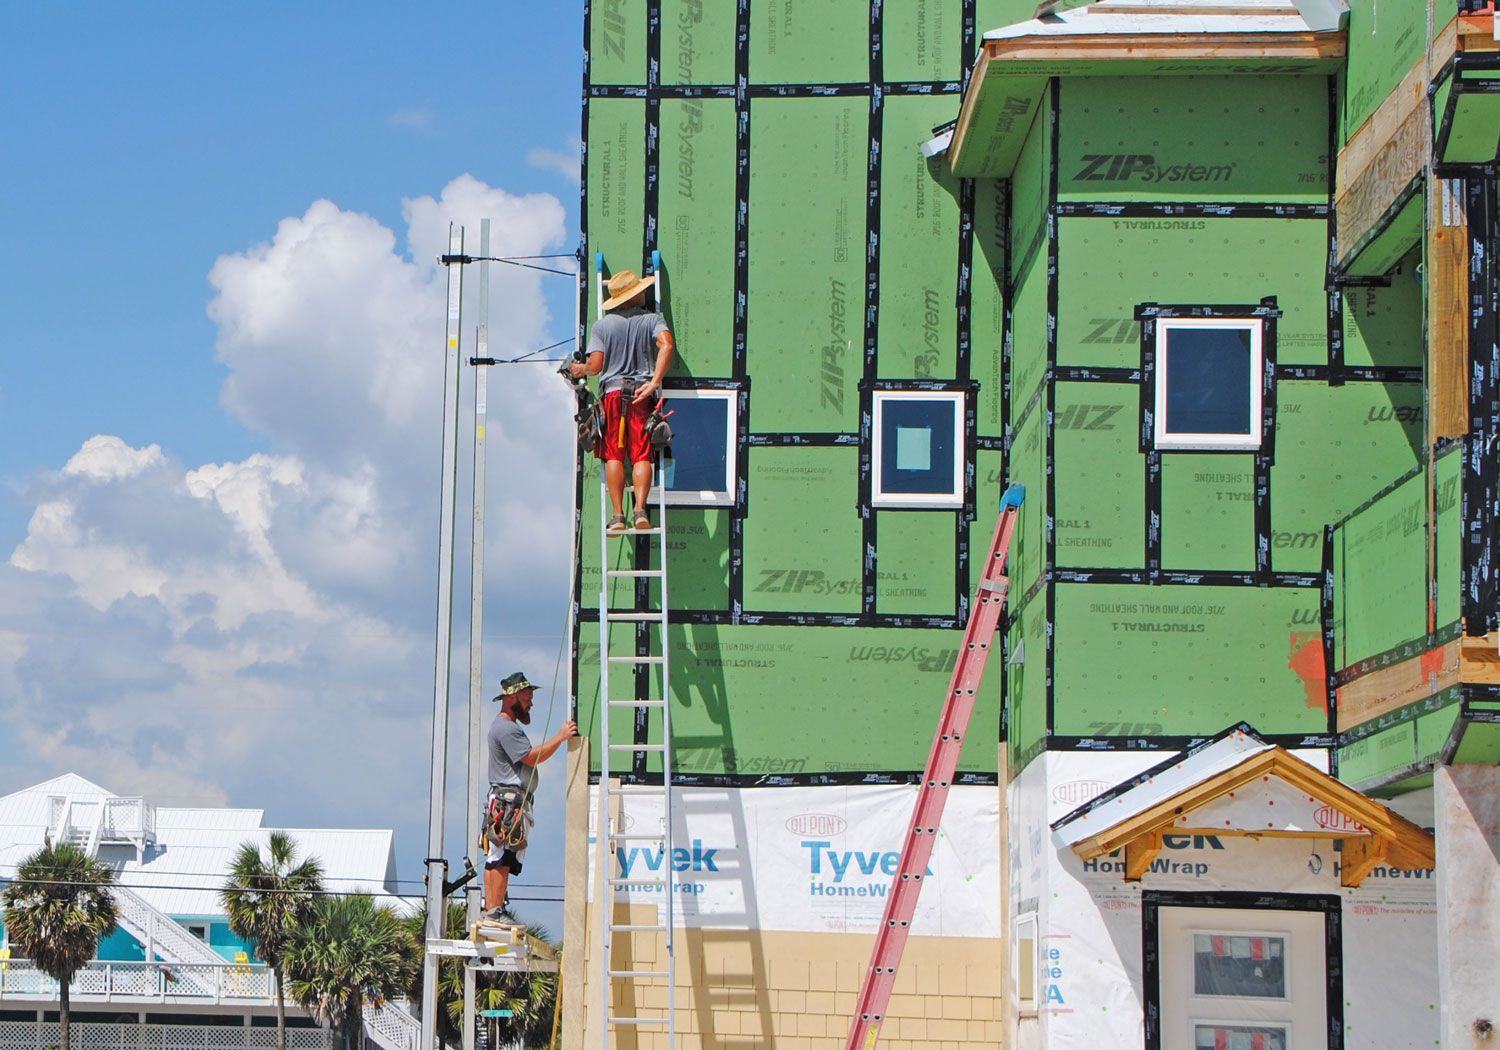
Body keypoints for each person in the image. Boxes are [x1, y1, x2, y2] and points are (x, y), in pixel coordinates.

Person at [568, 269, 675, 534]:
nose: (644, 294)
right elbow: (667, 346)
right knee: (641, 454)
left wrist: (579, 369)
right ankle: (640, 510)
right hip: (641, 394)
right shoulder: (653, 320)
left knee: (613, 454)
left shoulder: (603, 326)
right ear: (633, 296)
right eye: (640, 291)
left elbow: (595, 366)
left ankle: (618, 516)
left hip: (613, 395)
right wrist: (654, 382)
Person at [482, 671, 578, 920]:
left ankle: (492, 908)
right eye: (527, 697)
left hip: (506, 799)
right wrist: (561, 737)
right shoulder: (505, 728)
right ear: (513, 696)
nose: (530, 703)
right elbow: (532, 757)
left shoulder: (504, 726)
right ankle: (495, 909)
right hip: (508, 801)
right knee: (504, 855)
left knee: (498, 854)